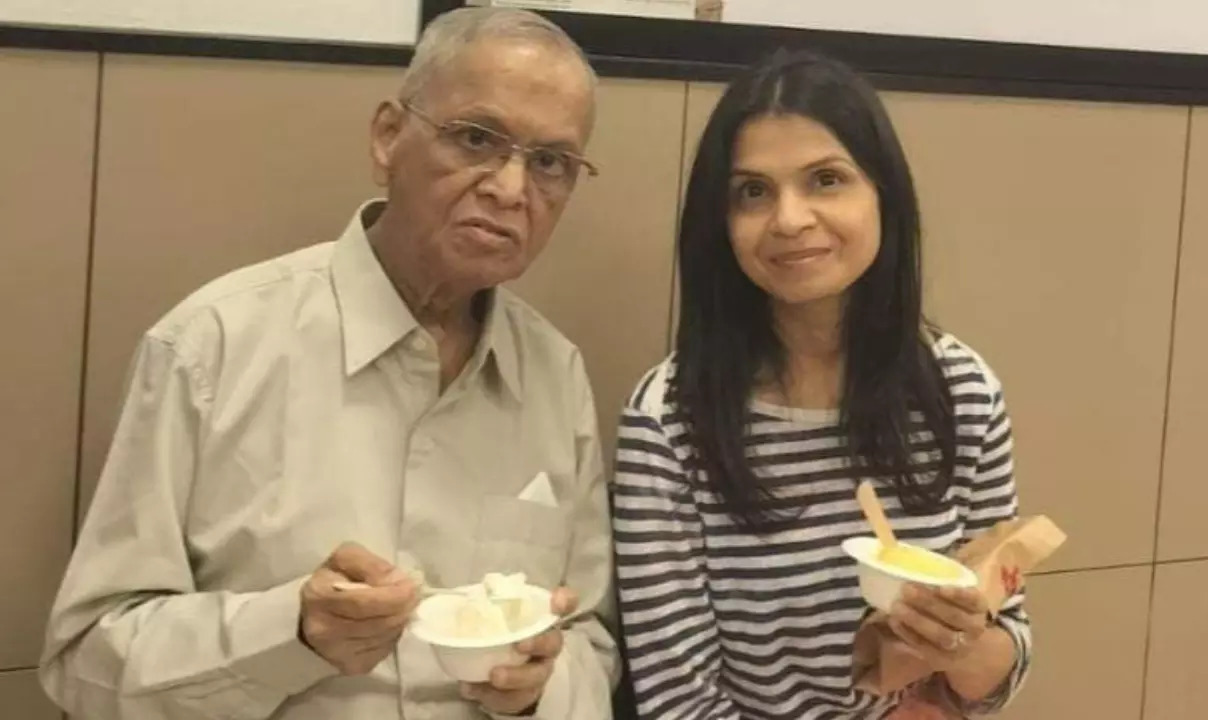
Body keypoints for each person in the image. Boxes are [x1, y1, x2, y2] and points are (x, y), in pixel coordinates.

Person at [40, 8, 618, 719]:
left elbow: (591, 639)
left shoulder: (555, 376)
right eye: (476, 139)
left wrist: (542, 691)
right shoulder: (212, 347)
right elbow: (86, 662)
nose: (509, 187)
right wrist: (292, 632)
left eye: (551, 162)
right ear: (387, 136)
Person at [612, 50, 1032, 719]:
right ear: (718, 225)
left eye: (826, 180)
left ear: (882, 196)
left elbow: (1002, 656)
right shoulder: (669, 420)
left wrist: (962, 642)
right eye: (753, 191)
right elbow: (677, 699)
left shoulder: (962, 391)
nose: (789, 219)